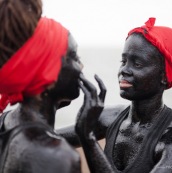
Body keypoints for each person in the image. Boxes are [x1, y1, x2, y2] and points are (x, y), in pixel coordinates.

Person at [57, 17, 172, 173]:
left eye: (137, 64)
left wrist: (88, 139)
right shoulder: (110, 118)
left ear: (164, 76)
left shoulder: (168, 139)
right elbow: (45, 137)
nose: (124, 70)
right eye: (123, 61)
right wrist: (55, 101)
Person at [0, 0, 104, 172]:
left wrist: (51, 106)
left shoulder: (5, 121)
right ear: (48, 72)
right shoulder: (56, 156)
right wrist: (88, 137)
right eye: (74, 57)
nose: (81, 66)